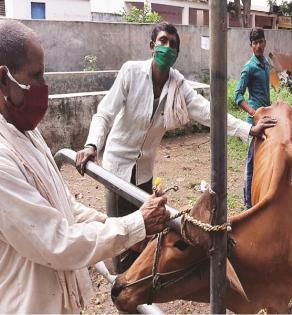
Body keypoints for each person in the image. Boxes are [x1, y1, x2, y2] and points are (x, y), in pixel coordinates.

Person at [76, 22, 276, 273]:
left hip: (144, 172)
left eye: (173, 44)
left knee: (143, 229)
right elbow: (104, 113)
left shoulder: (178, 86)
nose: (167, 47)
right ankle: (122, 287)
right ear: (151, 46)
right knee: (120, 234)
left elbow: (209, 113)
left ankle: (138, 285)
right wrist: (92, 145)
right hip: (117, 170)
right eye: (163, 41)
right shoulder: (131, 73)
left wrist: (247, 129)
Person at [0, 20, 170, 313]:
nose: (44, 86)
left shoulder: (25, 131)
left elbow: (63, 204)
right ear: (3, 79)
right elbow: (56, 242)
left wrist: (117, 228)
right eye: (36, 76)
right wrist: (133, 224)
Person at [234, 27, 270, 209]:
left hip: (266, 119)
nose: (258, 46)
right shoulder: (249, 67)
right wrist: (253, 113)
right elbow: (237, 96)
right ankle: (248, 204)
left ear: (264, 42)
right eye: (255, 43)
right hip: (254, 123)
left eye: (261, 42)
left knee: (264, 159)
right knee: (251, 163)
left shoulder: (266, 64)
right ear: (251, 46)